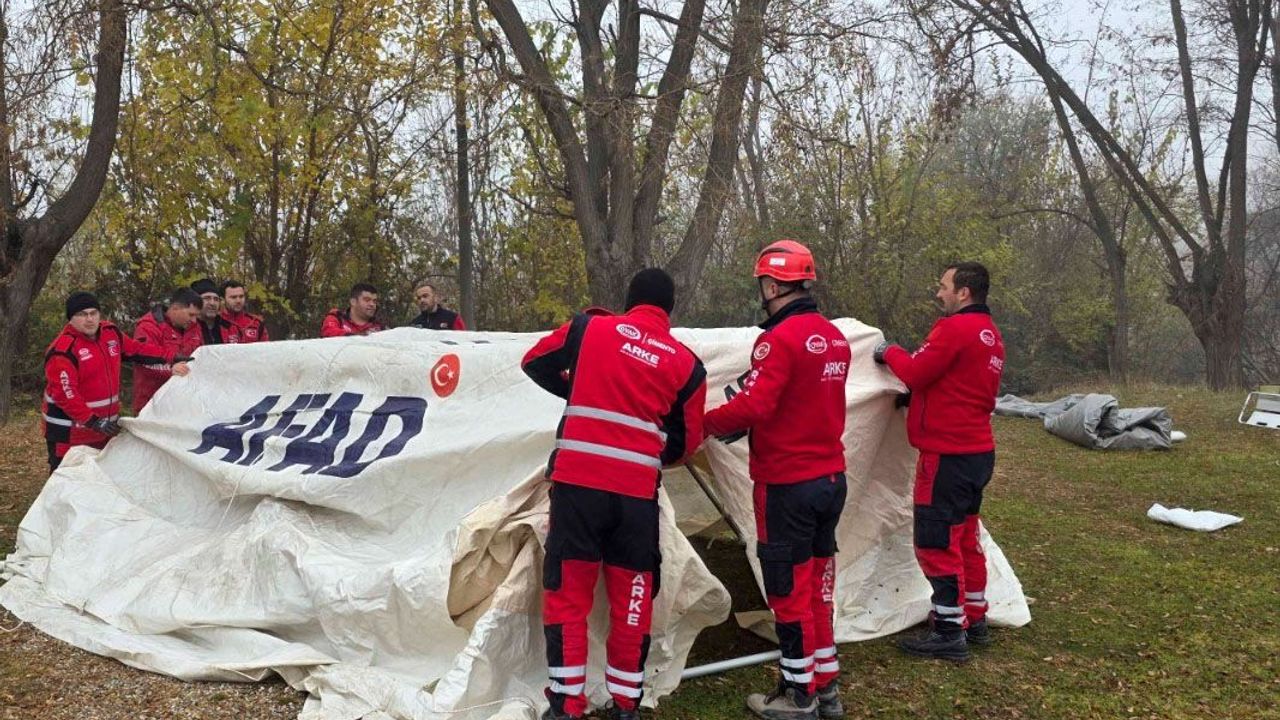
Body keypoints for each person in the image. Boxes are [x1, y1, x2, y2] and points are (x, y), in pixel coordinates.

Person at [521, 268, 707, 720]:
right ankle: (626, 705)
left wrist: (576, 389)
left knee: (568, 594)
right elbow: (687, 443)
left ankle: (566, 706)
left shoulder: (590, 329)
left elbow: (533, 361)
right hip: (635, 498)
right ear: (670, 310)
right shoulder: (687, 364)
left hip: (577, 488)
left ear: (628, 299)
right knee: (633, 598)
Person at [702, 239, 851, 720]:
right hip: (830, 478)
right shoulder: (833, 337)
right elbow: (802, 401)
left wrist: (705, 421)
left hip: (787, 483)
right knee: (817, 588)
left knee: (787, 590)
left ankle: (796, 695)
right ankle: (825, 687)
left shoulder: (776, 341)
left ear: (771, 284)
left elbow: (757, 405)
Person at [873, 261, 1005, 662]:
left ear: (963, 292)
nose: (939, 293)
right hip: (978, 450)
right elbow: (955, 384)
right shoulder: (991, 335)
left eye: (943, 286)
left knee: (935, 540)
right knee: (965, 536)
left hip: (947, 454)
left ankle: (949, 630)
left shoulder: (953, 329)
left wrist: (887, 351)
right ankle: (974, 616)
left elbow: (915, 370)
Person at [42, 292, 189, 470]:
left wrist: (171, 356)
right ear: (70, 319)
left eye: (93, 313)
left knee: (101, 479)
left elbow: (136, 350)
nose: (89, 319)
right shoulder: (63, 350)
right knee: (66, 482)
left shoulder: (109, 333)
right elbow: (65, 394)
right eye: (82, 314)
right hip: (69, 434)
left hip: (103, 429)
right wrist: (93, 421)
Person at [132, 288, 203, 413]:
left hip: (183, 401)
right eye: (191, 315)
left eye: (196, 316)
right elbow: (142, 362)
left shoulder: (194, 328)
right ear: (175, 308)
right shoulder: (148, 327)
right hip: (152, 403)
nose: (194, 320)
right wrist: (169, 369)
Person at [320, 282, 385, 337]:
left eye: (374, 301)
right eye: (367, 300)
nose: (372, 304)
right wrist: (360, 337)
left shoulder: (380, 327)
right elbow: (328, 332)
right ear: (353, 302)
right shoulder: (337, 317)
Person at [191, 278, 239, 344]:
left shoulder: (230, 328)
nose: (212, 303)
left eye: (216, 299)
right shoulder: (187, 327)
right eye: (207, 298)